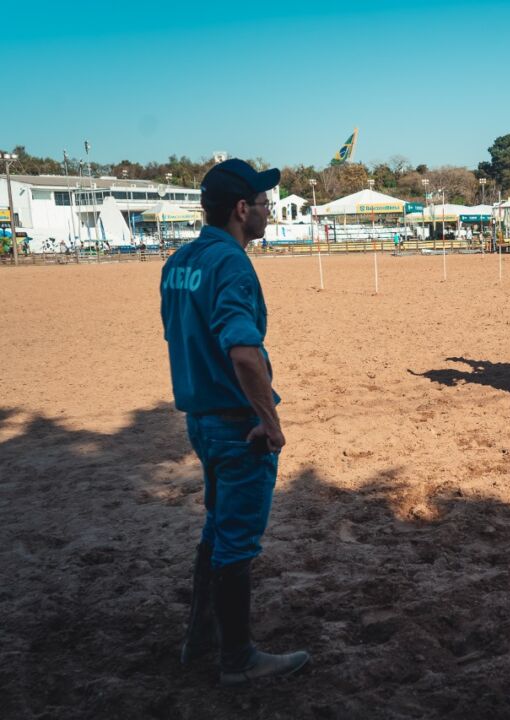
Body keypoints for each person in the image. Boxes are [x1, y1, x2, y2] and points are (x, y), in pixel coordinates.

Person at [161, 159, 309, 686]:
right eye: (265, 204)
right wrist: (269, 422)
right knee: (237, 541)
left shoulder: (179, 261)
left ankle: (200, 638)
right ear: (241, 210)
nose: (270, 212)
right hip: (235, 425)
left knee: (216, 526)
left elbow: (179, 338)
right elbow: (244, 354)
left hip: (200, 420)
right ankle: (238, 659)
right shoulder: (231, 263)